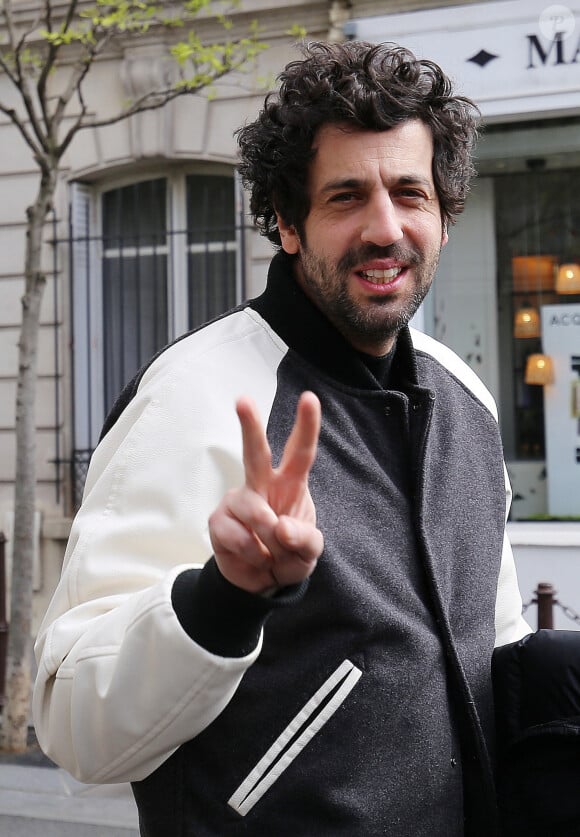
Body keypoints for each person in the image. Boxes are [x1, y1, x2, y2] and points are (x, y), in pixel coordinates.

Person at [33, 40, 532, 836]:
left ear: (443, 215)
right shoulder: (194, 397)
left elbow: (494, 647)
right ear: (288, 223)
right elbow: (73, 724)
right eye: (345, 197)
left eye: (410, 193)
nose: (384, 226)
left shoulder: (465, 398)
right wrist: (226, 597)